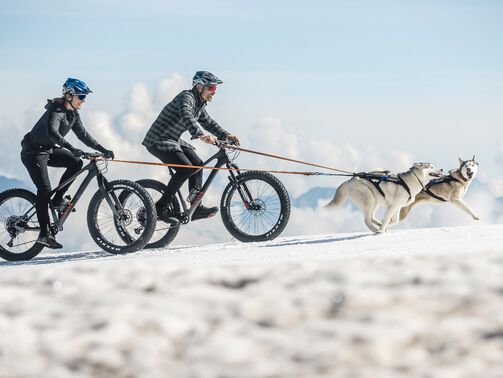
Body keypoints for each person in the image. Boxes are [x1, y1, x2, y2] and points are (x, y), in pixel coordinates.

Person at [20, 78, 115, 249]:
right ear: (69, 95)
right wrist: (71, 147)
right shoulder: (57, 110)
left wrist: (103, 149)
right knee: (44, 190)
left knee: (76, 163)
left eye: (85, 97)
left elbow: (84, 136)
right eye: (81, 97)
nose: (84, 101)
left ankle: (57, 201)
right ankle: (44, 234)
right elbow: (53, 133)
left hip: (47, 150)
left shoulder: (73, 114)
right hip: (33, 152)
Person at [142, 71, 240, 221]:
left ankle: (196, 208)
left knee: (198, 164)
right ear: (200, 87)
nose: (214, 92)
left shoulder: (199, 104)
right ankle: (160, 208)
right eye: (212, 88)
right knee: (186, 169)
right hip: (157, 140)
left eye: (215, 89)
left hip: (172, 139)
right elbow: (186, 115)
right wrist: (200, 135)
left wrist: (226, 135)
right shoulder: (186, 97)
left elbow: (209, 122)